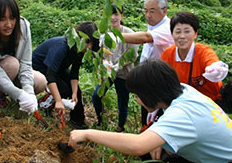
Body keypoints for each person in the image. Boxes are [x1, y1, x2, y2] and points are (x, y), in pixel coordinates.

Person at [68, 59, 232, 163]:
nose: (138, 100)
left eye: (137, 95)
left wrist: (88, 133)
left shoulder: (182, 114)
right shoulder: (184, 90)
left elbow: (138, 145)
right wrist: (160, 138)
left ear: (151, 94)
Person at [0, 0, 47, 115]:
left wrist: (28, 93)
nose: (8, 24)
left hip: (12, 75)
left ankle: (13, 97)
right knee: (12, 64)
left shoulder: (23, 27)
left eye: (12, 18)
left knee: (41, 82)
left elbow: (25, 63)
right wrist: (18, 94)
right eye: (2, 19)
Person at [121, 0, 174, 141]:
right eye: (145, 11)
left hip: (159, 82)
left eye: (152, 11)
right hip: (148, 79)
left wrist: (114, 36)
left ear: (164, 10)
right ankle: (145, 140)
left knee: (159, 117)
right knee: (147, 114)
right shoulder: (153, 25)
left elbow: (145, 38)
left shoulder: (167, 27)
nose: (148, 15)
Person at [32, 21, 100, 129]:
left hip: (58, 68)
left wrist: (74, 93)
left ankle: (77, 121)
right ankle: (45, 104)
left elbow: (74, 73)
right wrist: (59, 100)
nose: (89, 47)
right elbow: (50, 75)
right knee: (62, 89)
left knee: (76, 91)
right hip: (40, 68)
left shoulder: (80, 50)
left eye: (91, 43)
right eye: (87, 42)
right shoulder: (61, 47)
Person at [161, 11, 228, 102]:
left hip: (209, 103)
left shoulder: (204, 51)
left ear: (195, 34)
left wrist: (216, 69)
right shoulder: (167, 54)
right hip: (181, 103)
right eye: (178, 32)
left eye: (187, 31)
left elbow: (212, 62)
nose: (182, 36)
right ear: (172, 34)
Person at [92, 4, 139, 132]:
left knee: (122, 101)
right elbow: (102, 53)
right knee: (96, 95)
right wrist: (104, 65)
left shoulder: (130, 33)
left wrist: (119, 65)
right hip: (109, 72)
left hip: (124, 74)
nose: (113, 18)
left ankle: (120, 127)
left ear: (122, 16)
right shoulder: (104, 33)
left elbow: (133, 56)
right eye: (110, 15)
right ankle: (100, 120)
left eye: (116, 14)